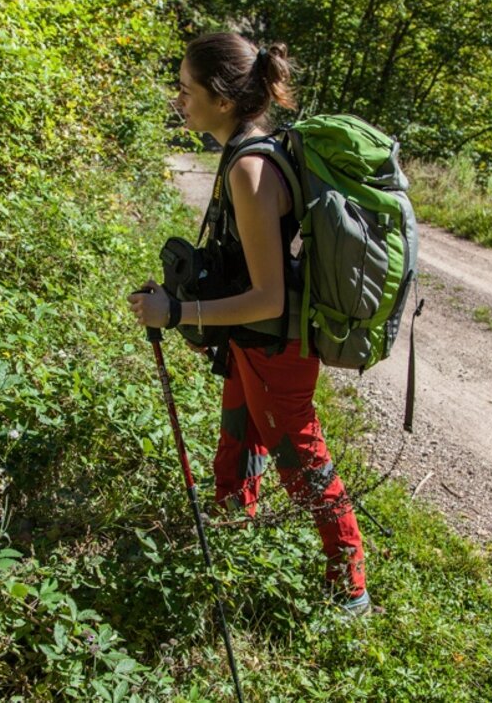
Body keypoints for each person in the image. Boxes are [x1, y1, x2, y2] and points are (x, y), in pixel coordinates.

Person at [126, 32, 371, 615]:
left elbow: (267, 298)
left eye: (187, 90)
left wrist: (178, 312)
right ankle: (234, 528)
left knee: (302, 460)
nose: (178, 100)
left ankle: (351, 587)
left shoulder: (251, 169)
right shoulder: (244, 152)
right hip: (251, 345)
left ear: (223, 98)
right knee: (238, 435)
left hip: (275, 348)